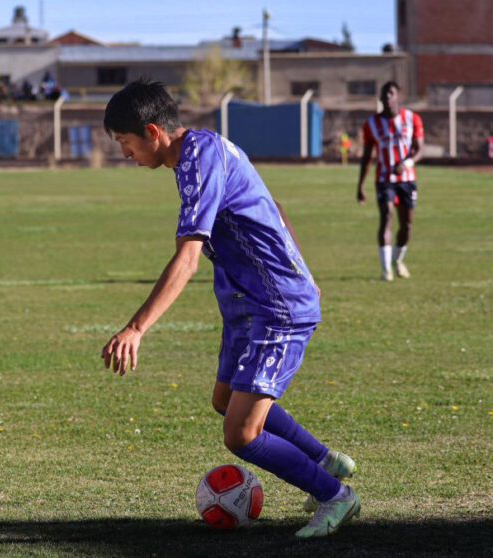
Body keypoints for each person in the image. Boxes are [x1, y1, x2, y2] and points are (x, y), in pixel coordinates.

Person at [99, 78, 358, 539]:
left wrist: (136, 328)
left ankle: (335, 495)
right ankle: (323, 459)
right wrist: (305, 269)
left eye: (125, 142)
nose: (125, 153)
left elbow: (188, 259)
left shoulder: (198, 160)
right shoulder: (200, 152)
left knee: (241, 434)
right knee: (224, 401)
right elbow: (273, 205)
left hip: (276, 306)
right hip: (247, 303)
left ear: (153, 132)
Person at [357, 81, 423, 281]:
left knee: (407, 225)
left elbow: (420, 149)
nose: (387, 97)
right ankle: (386, 271)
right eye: (384, 94)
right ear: (380, 98)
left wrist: (407, 163)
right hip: (384, 179)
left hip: (407, 179)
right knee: (386, 216)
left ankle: (397, 259)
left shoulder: (412, 119)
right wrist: (360, 185)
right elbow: (367, 157)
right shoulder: (371, 124)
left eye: (391, 93)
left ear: (398, 96)